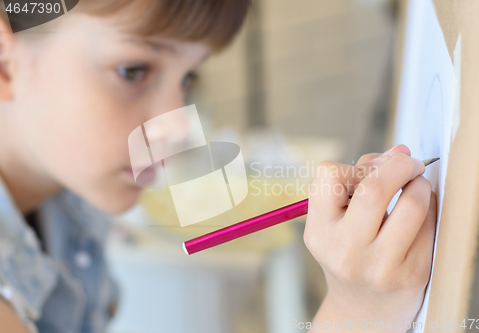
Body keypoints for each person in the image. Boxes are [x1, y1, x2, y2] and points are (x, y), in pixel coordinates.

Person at [0, 0, 436, 332]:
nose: (176, 126)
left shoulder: (68, 196)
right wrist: (355, 312)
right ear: (5, 63)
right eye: (133, 71)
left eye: (188, 77)